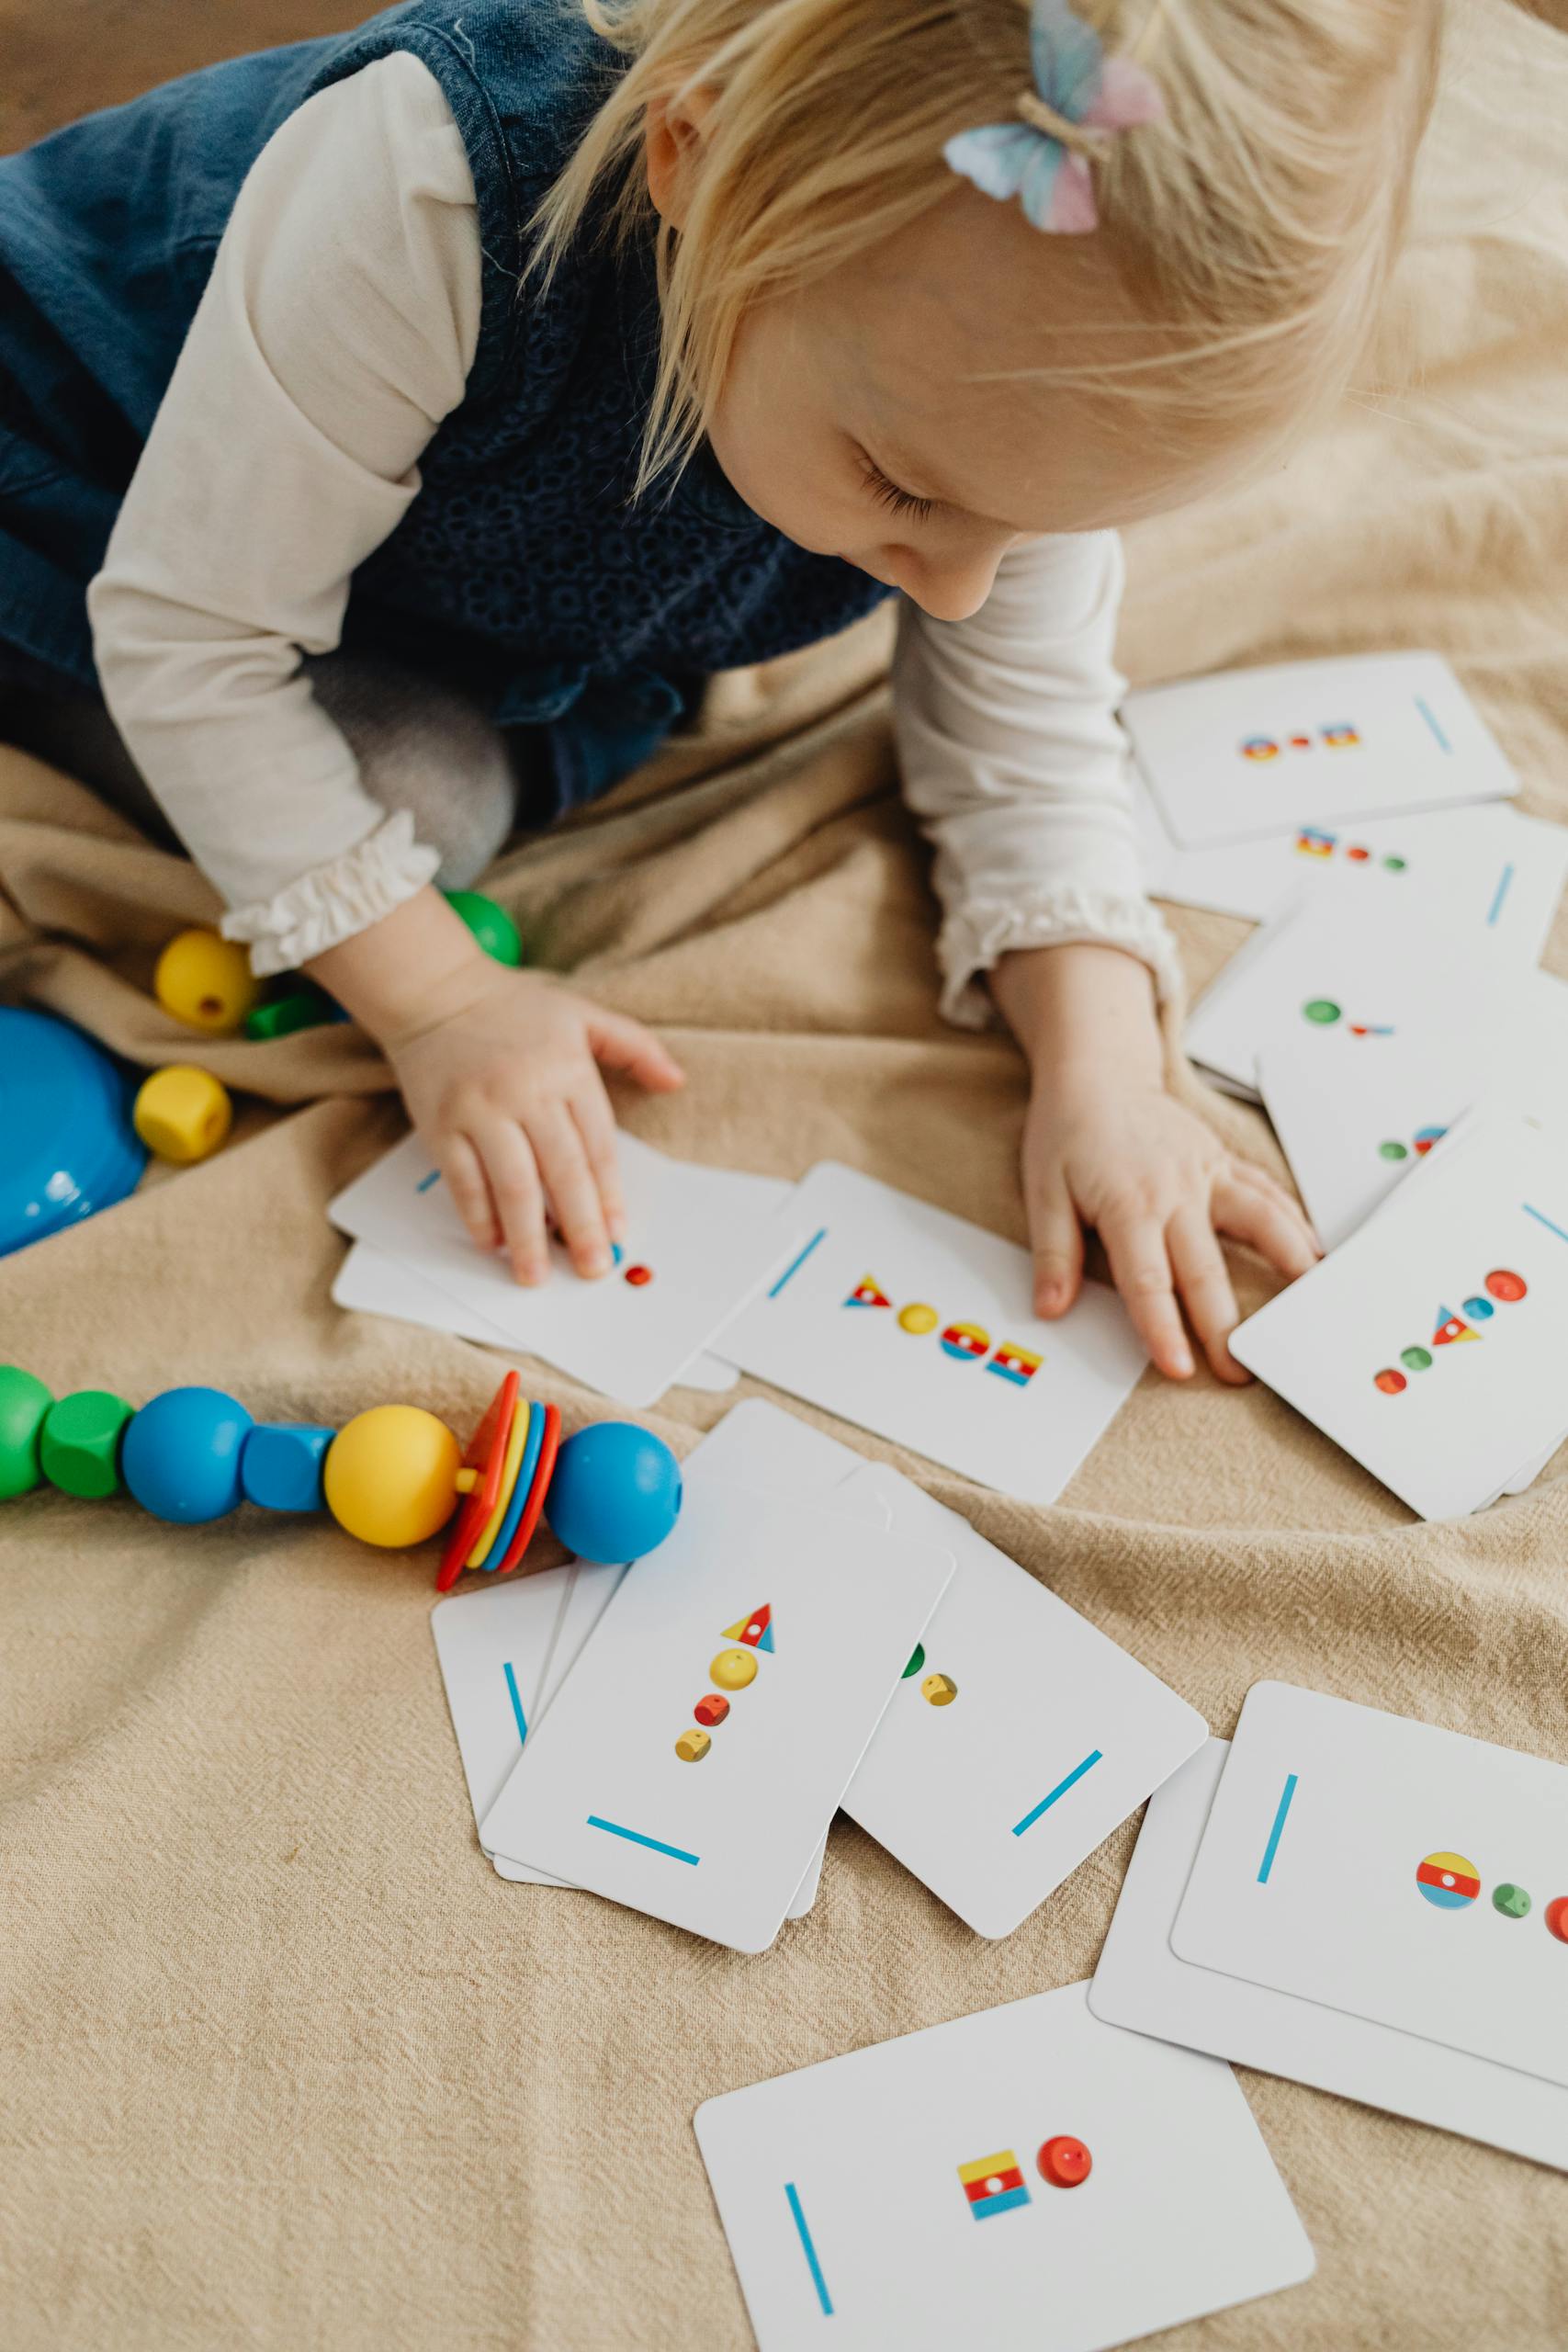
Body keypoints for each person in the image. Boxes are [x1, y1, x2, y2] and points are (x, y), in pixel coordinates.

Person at [0, 0, 1441, 1375]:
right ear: (699, 164)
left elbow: (1025, 730)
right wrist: (441, 1003)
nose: (951, 595)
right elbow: (196, 636)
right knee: (412, 815)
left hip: (435, 577)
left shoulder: (989, 388)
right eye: (904, 490)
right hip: (83, 478)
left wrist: (1108, 1068)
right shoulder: (426, 186)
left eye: (1041, 529)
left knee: (428, 797)